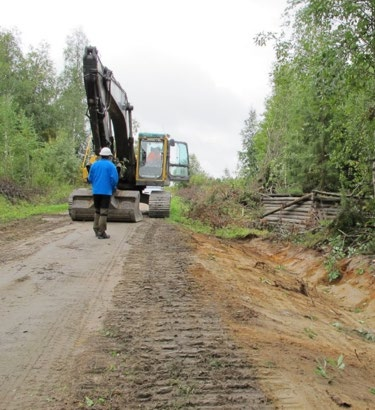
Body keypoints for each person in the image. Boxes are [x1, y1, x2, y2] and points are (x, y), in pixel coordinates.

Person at [87, 147, 119, 239]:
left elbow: (90, 178)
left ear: (100, 155)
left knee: (97, 211)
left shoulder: (94, 165)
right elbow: (114, 180)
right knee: (103, 212)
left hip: (96, 192)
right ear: (109, 156)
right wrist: (113, 187)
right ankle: (102, 232)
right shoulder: (111, 166)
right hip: (106, 192)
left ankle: (96, 229)